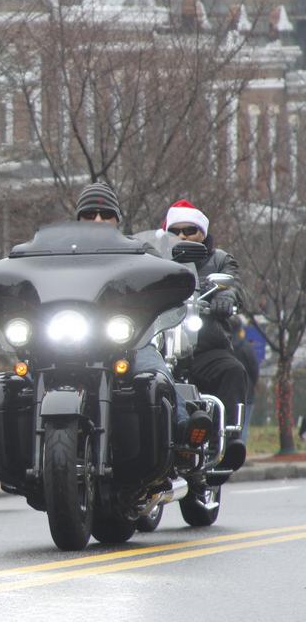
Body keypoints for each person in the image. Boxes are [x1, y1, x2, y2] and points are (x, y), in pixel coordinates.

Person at [73, 184, 213, 448]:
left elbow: (160, 280)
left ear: (117, 219)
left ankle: (184, 432)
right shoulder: (58, 255)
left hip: (128, 341)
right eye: (90, 214)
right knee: (23, 380)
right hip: (70, 340)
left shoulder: (139, 251)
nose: (98, 220)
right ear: (78, 219)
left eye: (105, 214)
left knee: (156, 372)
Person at [162, 199, 249, 470]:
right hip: (159, 348)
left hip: (205, 348)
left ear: (203, 233)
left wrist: (226, 296)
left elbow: (233, 285)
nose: (182, 236)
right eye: (175, 231)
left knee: (233, 370)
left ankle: (229, 441)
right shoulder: (152, 260)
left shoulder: (220, 259)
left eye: (190, 230)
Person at [230, 316, 259, 445]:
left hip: (228, 390)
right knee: (243, 424)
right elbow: (254, 369)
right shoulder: (246, 347)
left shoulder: (225, 346)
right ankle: (240, 450)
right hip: (247, 391)